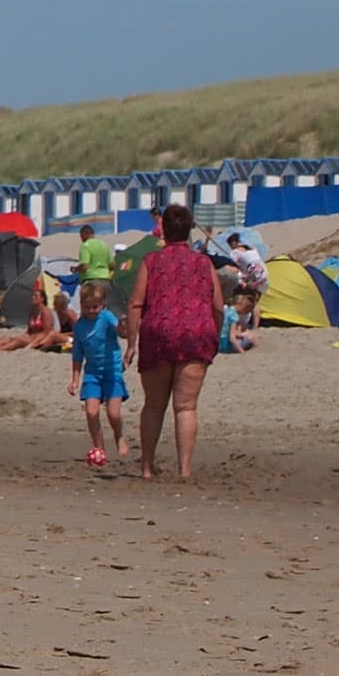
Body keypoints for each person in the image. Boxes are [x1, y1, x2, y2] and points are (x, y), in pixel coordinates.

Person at [125, 204, 222, 481]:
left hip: (159, 332)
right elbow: (217, 306)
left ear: (163, 229)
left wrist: (132, 343)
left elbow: (135, 304)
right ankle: (184, 469)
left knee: (154, 404)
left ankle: (146, 467)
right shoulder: (203, 263)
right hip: (195, 333)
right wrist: (213, 333)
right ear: (189, 229)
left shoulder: (151, 261)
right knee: (186, 406)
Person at [67, 281, 128, 466]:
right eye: (87, 307)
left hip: (112, 371)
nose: (92, 311)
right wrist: (74, 380)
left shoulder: (107, 317)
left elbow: (121, 333)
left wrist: (123, 325)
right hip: (92, 373)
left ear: (102, 305)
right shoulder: (79, 326)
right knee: (91, 412)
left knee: (113, 414)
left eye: (95, 307)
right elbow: (77, 354)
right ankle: (98, 447)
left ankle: (119, 437)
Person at [220, 288, 260, 354]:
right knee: (249, 337)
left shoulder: (224, 309)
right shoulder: (234, 316)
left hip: (217, 344)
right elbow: (232, 338)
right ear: (245, 308)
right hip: (225, 346)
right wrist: (241, 351)